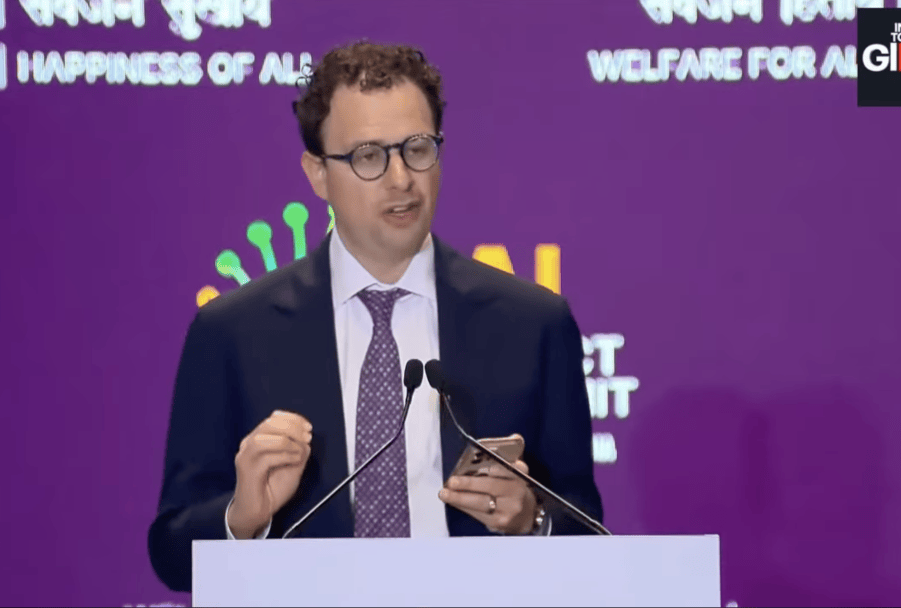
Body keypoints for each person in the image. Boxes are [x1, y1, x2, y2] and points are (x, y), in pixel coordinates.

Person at [147, 40, 603, 593]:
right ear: (318, 173)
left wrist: (532, 520)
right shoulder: (232, 333)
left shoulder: (532, 324)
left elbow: (589, 532)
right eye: (368, 156)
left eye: (417, 148)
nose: (401, 178)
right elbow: (171, 552)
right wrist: (242, 519)